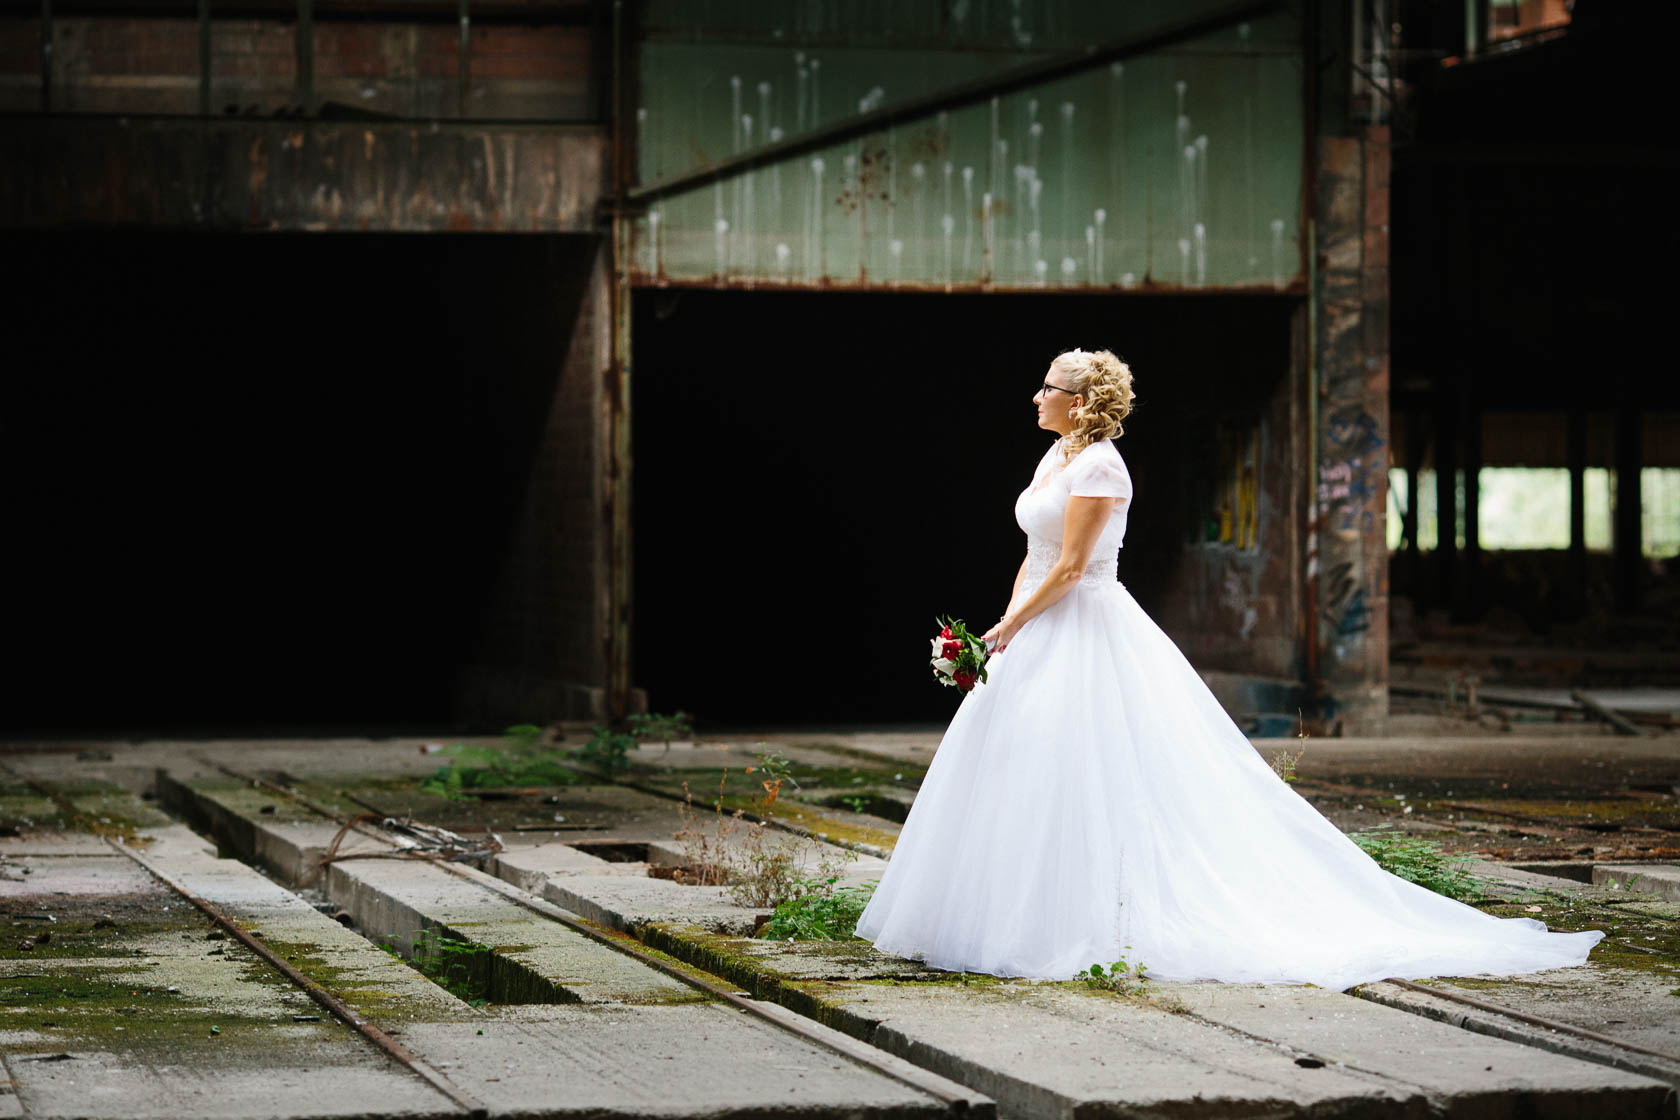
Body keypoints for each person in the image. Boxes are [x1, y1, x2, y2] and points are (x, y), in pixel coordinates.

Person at [852, 347, 1602, 989]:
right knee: (1023, 765)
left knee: (1089, 767)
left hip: (1085, 624)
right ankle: (1007, 915)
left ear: (1079, 402)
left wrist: (1013, 624)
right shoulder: (1058, 456)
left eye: (1049, 386)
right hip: (1039, 627)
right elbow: (1035, 555)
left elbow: (1076, 566)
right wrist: (1000, 629)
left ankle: (1081, 923)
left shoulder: (1102, 468)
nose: (1037, 395)